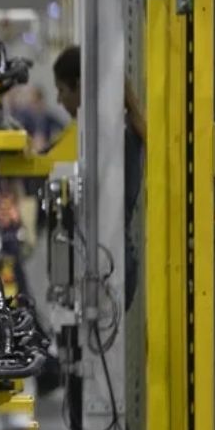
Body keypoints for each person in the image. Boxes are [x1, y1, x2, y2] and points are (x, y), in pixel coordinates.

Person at [51, 45, 145, 310]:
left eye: (61, 90)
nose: (59, 100)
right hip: (102, 264)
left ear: (79, 85)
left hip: (108, 270)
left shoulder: (112, 135)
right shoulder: (105, 130)